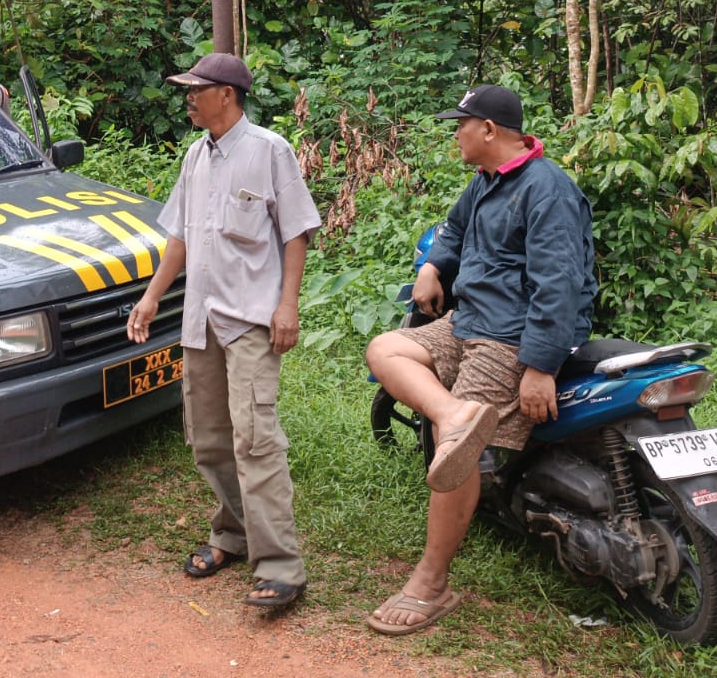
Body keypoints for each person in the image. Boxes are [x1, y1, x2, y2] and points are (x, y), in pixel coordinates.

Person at [363, 83, 596, 635]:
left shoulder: (548, 191)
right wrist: (432, 267)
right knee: (385, 348)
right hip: (468, 323)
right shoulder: (486, 183)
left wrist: (539, 366)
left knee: (455, 458)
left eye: (461, 125)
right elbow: (454, 231)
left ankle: (431, 584)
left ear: (489, 130)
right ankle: (451, 417)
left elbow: (560, 285)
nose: (455, 134)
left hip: (511, 338)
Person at [125, 52, 320, 611]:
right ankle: (232, 536)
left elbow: (296, 233)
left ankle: (281, 566)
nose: (188, 97)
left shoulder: (269, 151)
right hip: (201, 319)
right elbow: (182, 236)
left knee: (255, 440)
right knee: (209, 439)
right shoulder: (196, 155)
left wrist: (289, 305)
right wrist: (152, 294)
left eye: (197, 88)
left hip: (252, 321)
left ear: (228, 95)